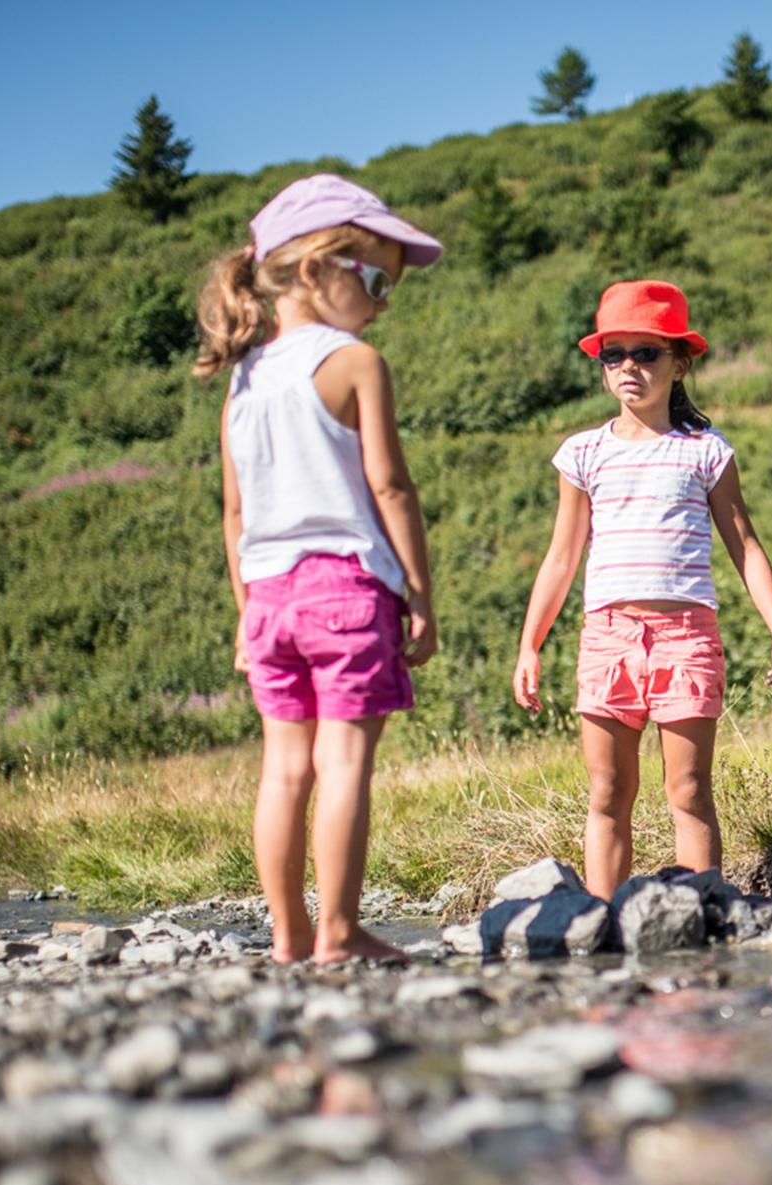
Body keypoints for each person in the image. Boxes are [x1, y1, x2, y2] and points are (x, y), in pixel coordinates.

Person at [194, 174, 444, 964]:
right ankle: (338, 931)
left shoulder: (244, 379)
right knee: (342, 764)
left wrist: (244, 613)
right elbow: (391, 487)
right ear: (313, 270)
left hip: (267, 598)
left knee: (284, 770)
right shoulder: (354, 362)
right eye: (372, 278)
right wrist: (420, 595)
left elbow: (235, 517)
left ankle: (288, 937)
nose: (380, 301)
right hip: (346, 586)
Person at [513, 280, 772, 900]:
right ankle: (599, 920)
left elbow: (745, 546)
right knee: (608, 793)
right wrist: (530, 645)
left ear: (679, 363)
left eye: (645, 353)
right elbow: (562, 557)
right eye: (612, 355)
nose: (628, 368)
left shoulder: (705, 450)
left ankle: (701, 912)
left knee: (690, 791)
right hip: (608, 638)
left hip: (686, 639)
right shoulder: (582, 453)